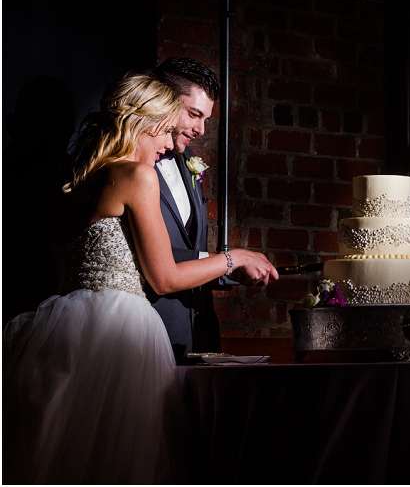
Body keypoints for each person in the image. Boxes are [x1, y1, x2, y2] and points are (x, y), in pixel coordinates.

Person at [3, 72, 278, 483]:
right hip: (119, 335)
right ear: (139, 122)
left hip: (63, 330)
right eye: (165, 131)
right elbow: (164, 278)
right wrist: (233, 257)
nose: (169, 145)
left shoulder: (73, 181)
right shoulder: (136, 175)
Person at [150, 57, 227, 363]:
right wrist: (228, 262)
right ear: (163, 99)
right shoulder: (131, 166)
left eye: (206, 119)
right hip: (145, 332)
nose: (201, 129)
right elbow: (155, 258)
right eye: (194, 114)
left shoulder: (188, 159)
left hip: (196, 332)